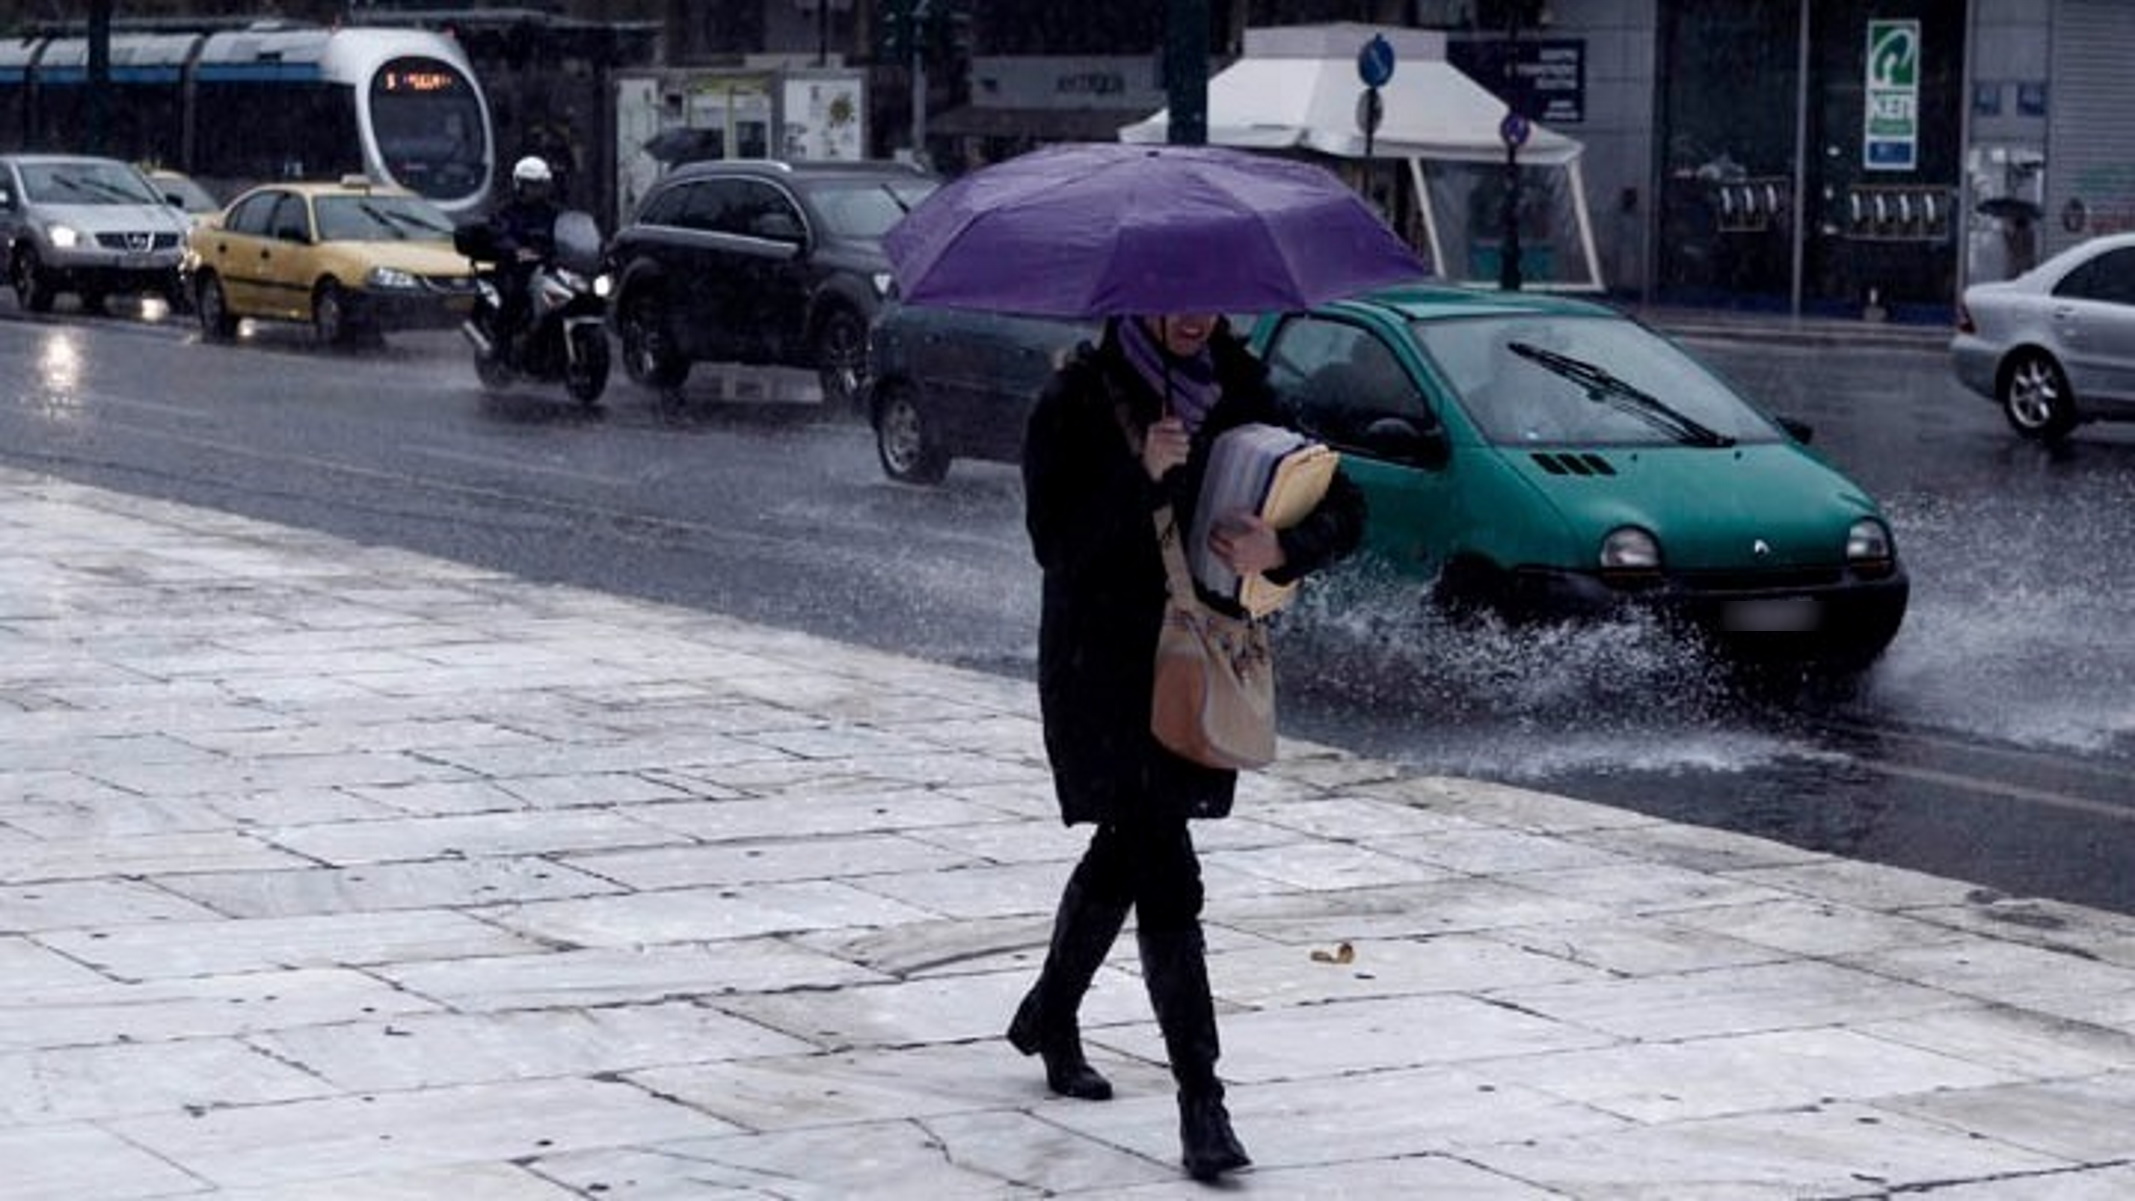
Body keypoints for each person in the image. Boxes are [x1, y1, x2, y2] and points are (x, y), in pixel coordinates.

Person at [1015, 312, 1365, 1182]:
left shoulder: (1245, 393)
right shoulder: (1075, 397)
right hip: (1100, 665)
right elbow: (1055, 547)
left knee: (1131, 848)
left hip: (1194, 661)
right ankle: (1200, 1102)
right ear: (1134, 300)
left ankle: (1052, 1010)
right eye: (1173, 294)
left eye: (1208, 295)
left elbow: (1347, 505)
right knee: (1165, 862)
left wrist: (1279, 545)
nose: (1192, 312)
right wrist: (1141, 477)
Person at [485, 155, 562, 354]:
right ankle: (502, 348)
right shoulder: (506, 212)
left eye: (542, 185)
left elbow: (568, 231)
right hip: (515, 268)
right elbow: (499, 234)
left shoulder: (554, 212)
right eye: (533, 185)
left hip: (547, 266)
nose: (538, 190)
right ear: (519, 185)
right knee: (515, 297)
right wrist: (515, 250)